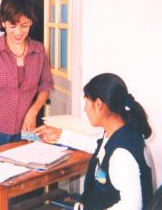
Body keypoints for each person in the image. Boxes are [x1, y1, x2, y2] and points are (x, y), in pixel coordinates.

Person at [0, 0, 53, 209]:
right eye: (13, 25)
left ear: (31, 22)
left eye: (24, 25)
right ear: (3, 22)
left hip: (26, 132)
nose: (19, 32)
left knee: (23, 187)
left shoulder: (38, 50)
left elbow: (45, 86)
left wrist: (33, 110)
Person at [34, 73, 154, 210]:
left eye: (86, 102)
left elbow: (132, 206)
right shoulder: (125, 132)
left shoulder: (121, 155)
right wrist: (60, 135)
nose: (85, 109)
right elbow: (98, 146)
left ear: (98, 104)